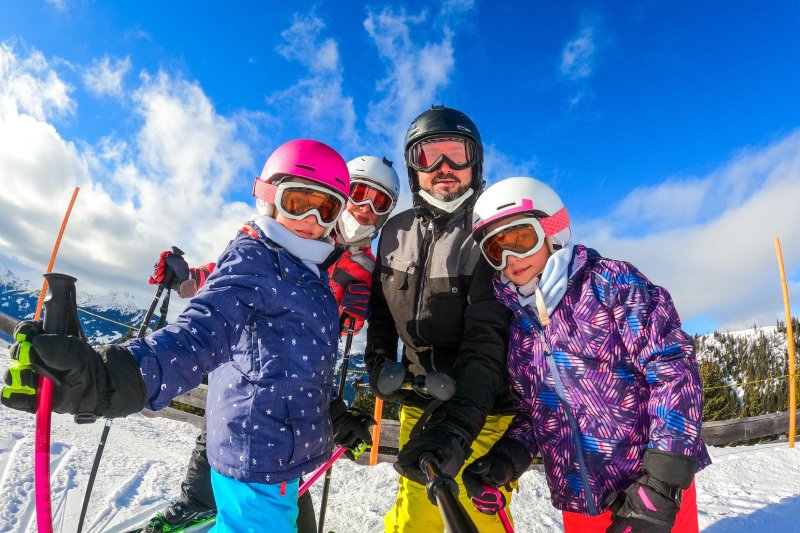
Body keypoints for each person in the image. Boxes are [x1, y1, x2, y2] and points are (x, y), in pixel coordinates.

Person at [2, 139, 374, 533]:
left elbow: (295, 364)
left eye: (327, 207)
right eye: (298, 202)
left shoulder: (312, 272)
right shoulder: (257, 259)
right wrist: (111, 379)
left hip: (285, 453)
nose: (312, 219)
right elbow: (199, 333)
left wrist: (335, 415)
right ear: (268, 197)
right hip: (259, 455)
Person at [142, 155, 401, 533]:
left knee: (279, 447)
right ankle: (196, 502)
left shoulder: (365, 266)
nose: (364, 209)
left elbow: (351, 325)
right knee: (228, 424)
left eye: (379, 203)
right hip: (250, 352)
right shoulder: (290, 228)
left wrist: (351, 313)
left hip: (297, 370)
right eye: (359, 193)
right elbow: (235, 280)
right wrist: (190, 276)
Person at [461, 176, 711, 533]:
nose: (510, 258)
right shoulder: (519, 330)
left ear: (553, 232)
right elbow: (534, 416)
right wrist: (504, 459)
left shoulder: (611, 283)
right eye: (495, 249)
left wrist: (662, 482)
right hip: (581, 502)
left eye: (520, 239)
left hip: (649, 489)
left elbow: (673, 368)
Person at [365, 105, 515, 532]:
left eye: (457, 154)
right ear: (414, 167)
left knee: (471, 508)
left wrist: (457, 427)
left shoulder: (489, 232)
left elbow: (489, 340)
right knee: (416, 515)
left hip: (483, 408)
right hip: (419, 400)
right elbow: (379, 309)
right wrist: (378, 361)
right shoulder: (395, 232)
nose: (444, 168)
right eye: (429, 157)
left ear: (476, 162)